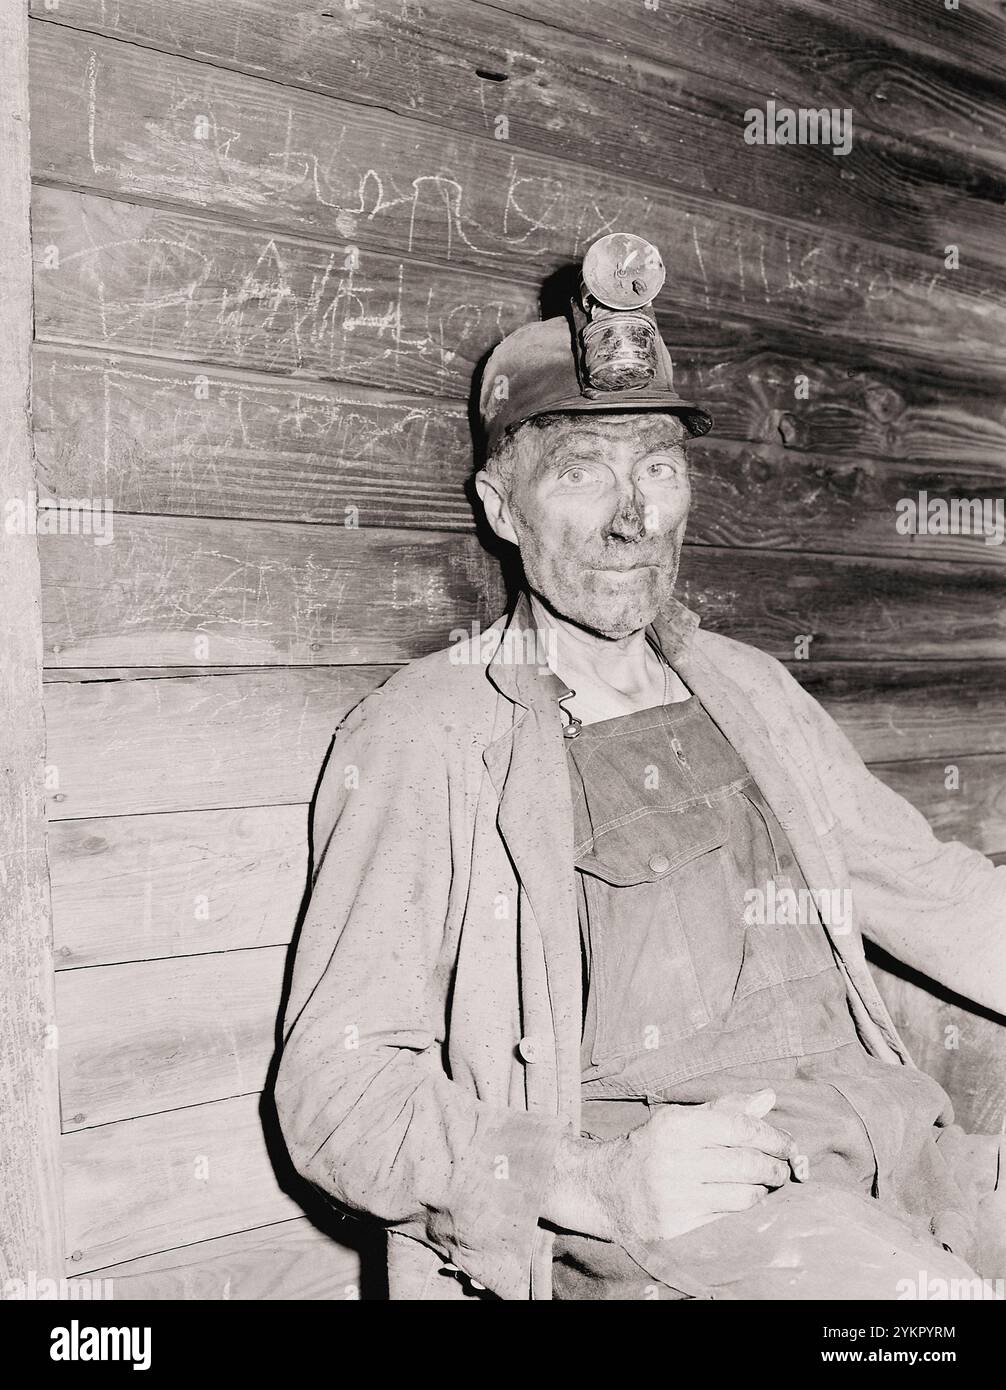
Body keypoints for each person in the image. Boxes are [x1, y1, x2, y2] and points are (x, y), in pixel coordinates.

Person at [274, 236, 1006, 1300]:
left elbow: (931, 890)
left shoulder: (745, 688)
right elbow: (335, 1092)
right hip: (663, 1239)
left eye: (656, 469)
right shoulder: (428, 734)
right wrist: (594, 1176)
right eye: (581, 474)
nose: (632, 517)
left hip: (881, 1158)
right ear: (500, 508)